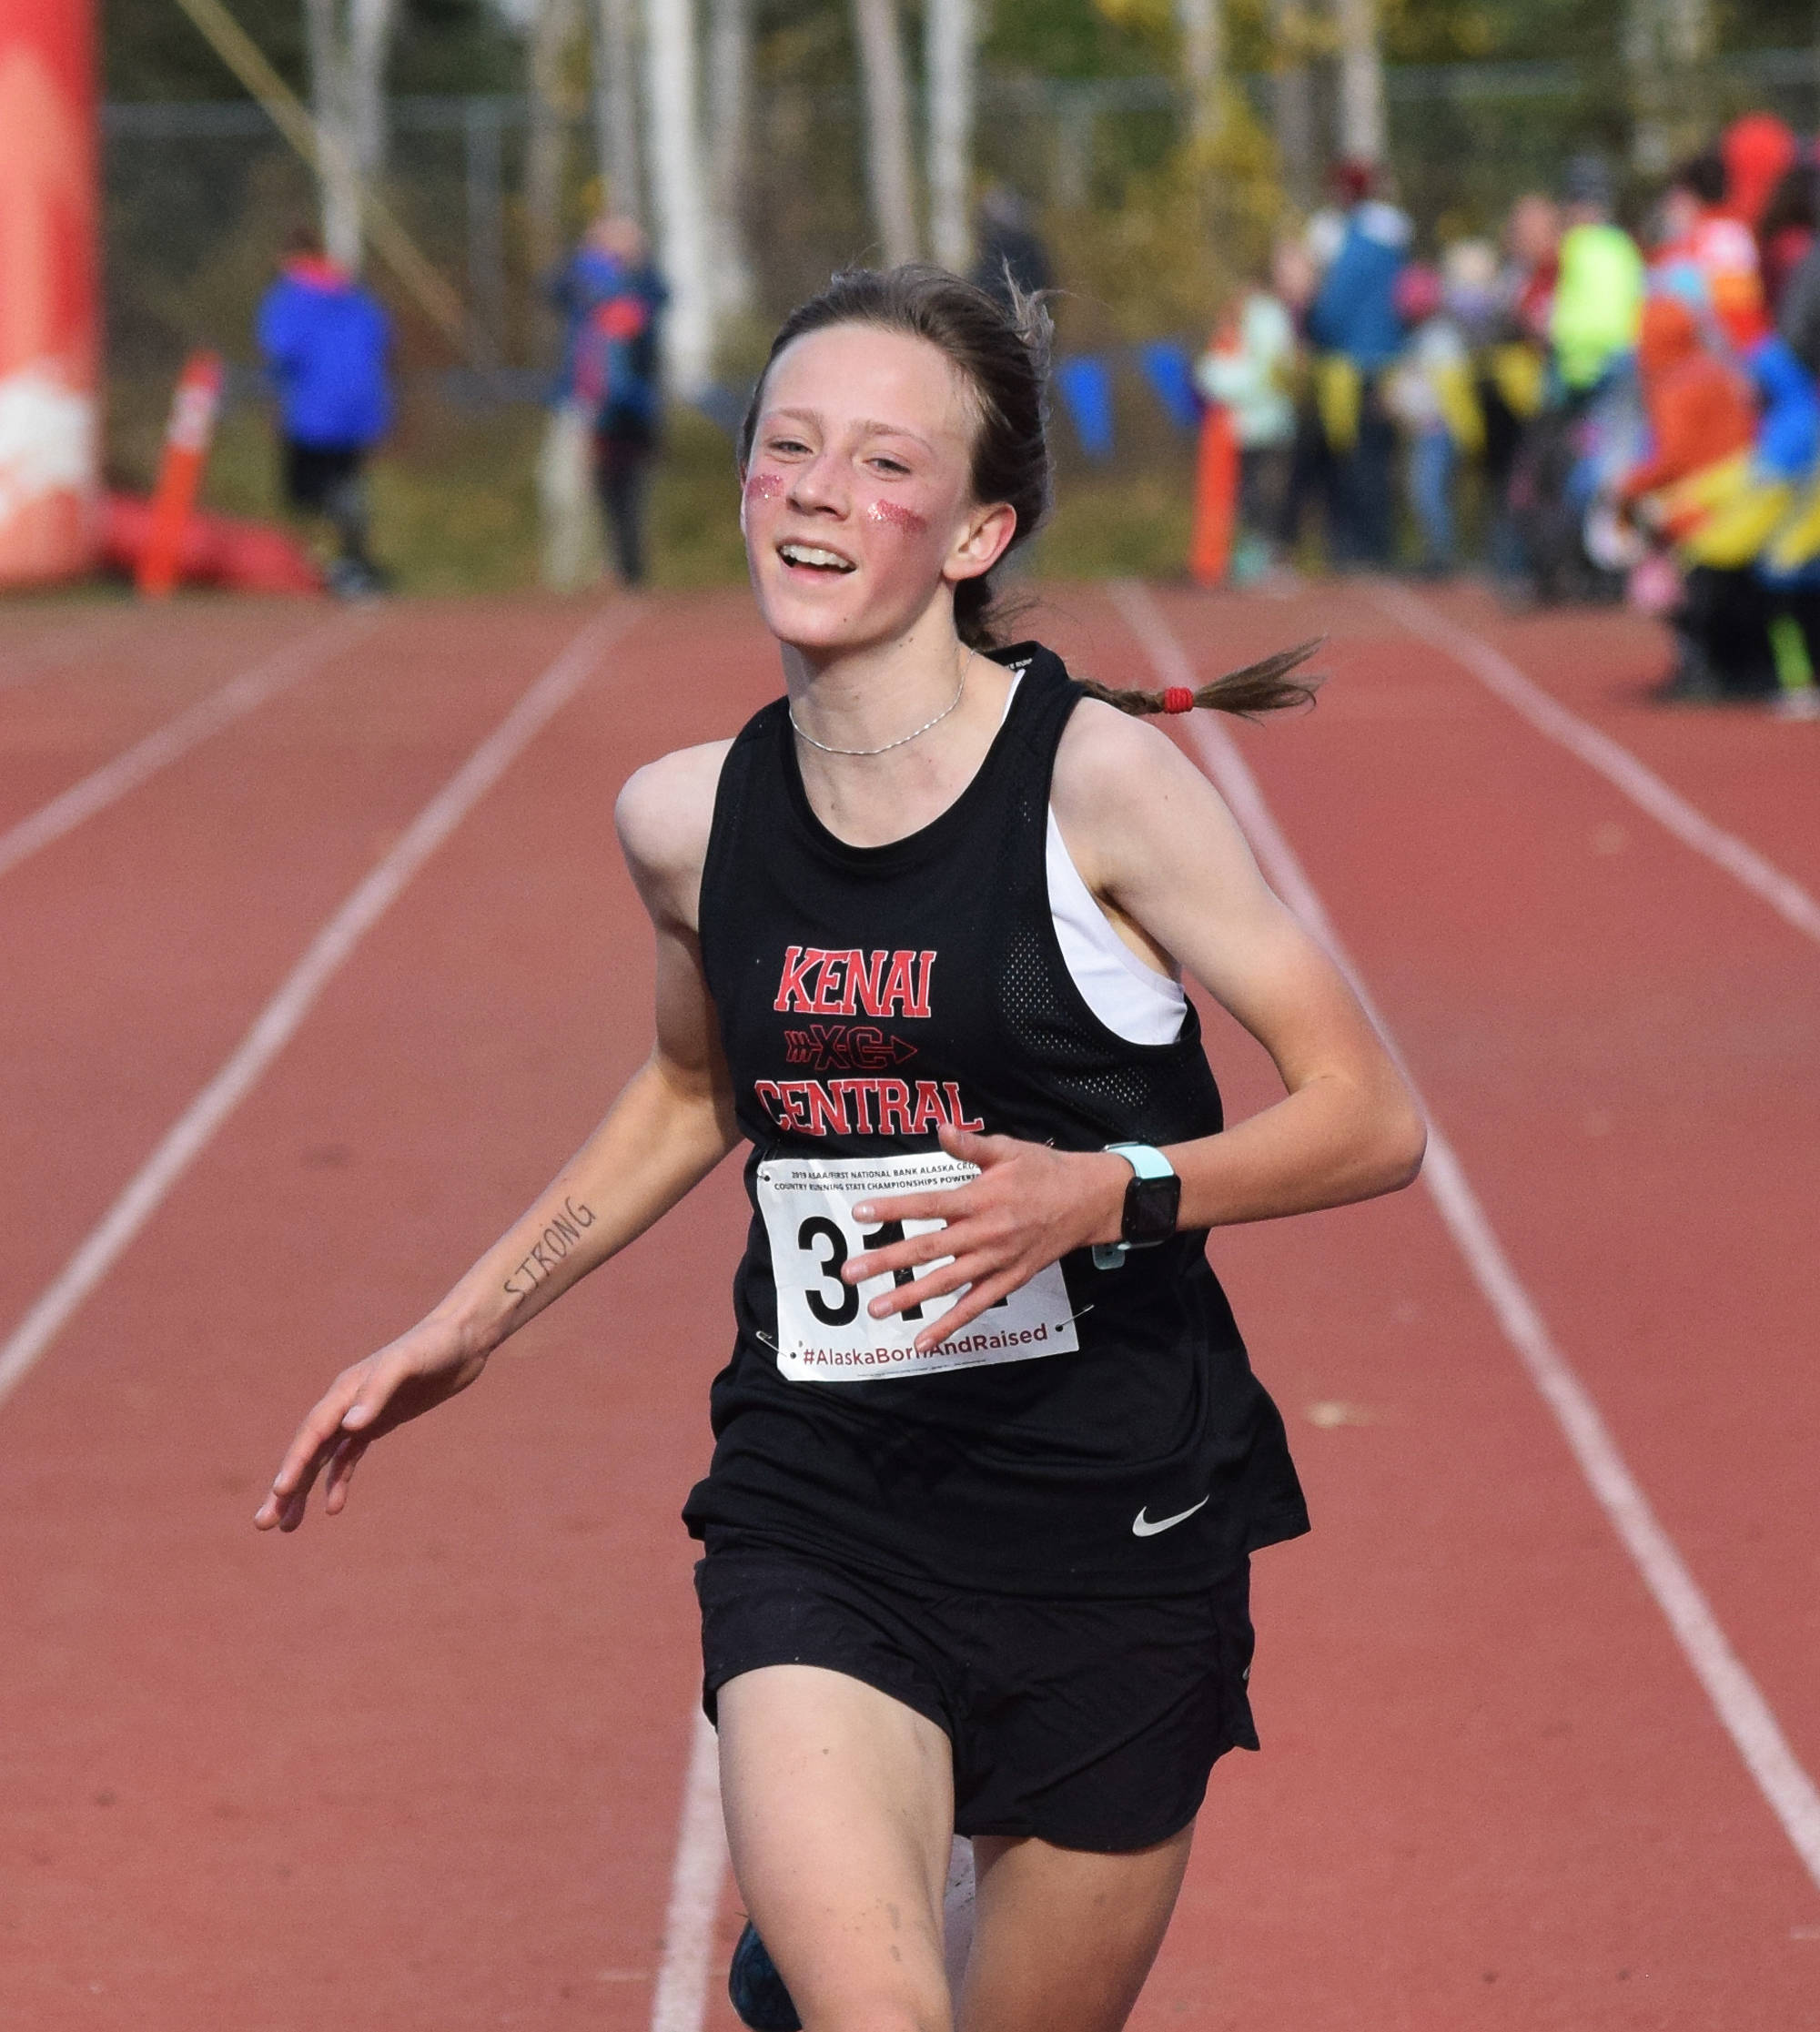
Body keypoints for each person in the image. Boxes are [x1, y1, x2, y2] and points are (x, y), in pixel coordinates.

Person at [255, 264, 1425, 2032]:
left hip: (1112, 1517)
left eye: (883, 462)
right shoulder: (687, 821)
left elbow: (1369, 1112)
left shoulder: (1097, 789)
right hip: (825, 1496)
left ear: (975, 533)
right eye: (786, 446)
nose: (814, 491)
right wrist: (465, 1325)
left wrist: (1106, 1192)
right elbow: (691, 1089)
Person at [256, 227, 392, 597]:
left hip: (314, 408)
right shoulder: (355, 293)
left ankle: (331, 562)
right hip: (361, 406)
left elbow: (281, 351)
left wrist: (275, 403)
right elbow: (382, 339)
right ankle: (352, 558)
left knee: (306, 489)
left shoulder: (289, 297)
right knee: (345, 480)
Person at [547, 214, 668, 588]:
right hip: (581, 401)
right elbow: (553, 288)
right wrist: (585, 253)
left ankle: (623, 570)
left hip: (628, 407)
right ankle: (567, 576)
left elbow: (657, 299)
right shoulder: (582, 280)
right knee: (563, 489)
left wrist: (635, 262)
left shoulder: (644, 286)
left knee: (623, 493)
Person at [1305, 160, 1410, 568]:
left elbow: (1335, 307)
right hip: (1389, 361)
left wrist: (1312, 326)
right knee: (1380, 460)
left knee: (1354, 459)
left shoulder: (1355, 243)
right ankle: (1379, 545)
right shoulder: (1394, 242)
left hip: (1352, 368)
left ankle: (1358, 549)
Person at [1194, 260, 1298, 581]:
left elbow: (1263, 373)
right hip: (1254, 425)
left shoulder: (1265, 318)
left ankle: (1264, 558)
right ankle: (1254, 556)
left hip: (1263, 423)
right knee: (1255, 496)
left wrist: (1216, 377)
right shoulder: (1262, 317)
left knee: (1264, 495)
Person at [1385, 259, 1481, 578]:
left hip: (1439, 430)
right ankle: (1435, 552)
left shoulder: (1439, 338)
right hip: (1427, 429)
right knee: (1423, 491)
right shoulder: (1423, 337)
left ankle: (1442, 555)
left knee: (1428, 491)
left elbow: (1442, 390)